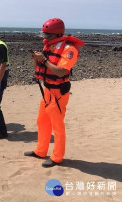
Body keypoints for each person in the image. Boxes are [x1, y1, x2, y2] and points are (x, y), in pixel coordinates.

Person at [24, 18, 85, 167]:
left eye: (48, 35)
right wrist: (36, 59)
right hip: (47, 91)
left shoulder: (69, 49)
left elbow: (60, 72)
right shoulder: (50, 46)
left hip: (58, 93)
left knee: (57, 126)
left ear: (58, 34)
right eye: (44, 35)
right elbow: (38, 69)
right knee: (42, 121)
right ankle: (40, 150)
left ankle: (57, 157)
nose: (45, 38)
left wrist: (43, 60)